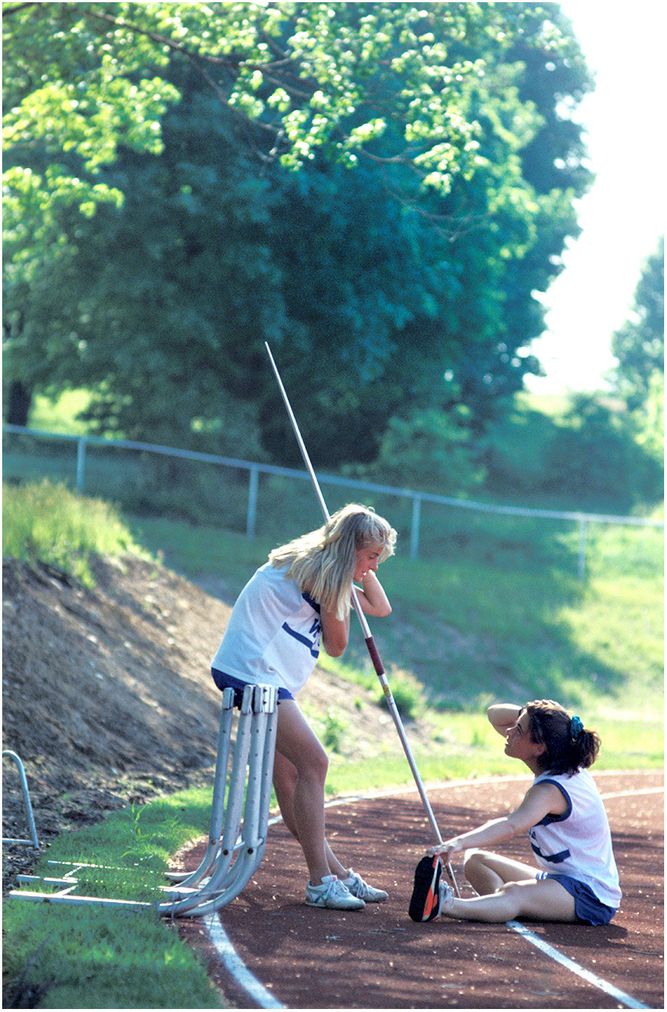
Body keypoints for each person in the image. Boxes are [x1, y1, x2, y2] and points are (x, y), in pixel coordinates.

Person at [211, 503, 396, 910]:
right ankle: (320, 882)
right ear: (349, 551)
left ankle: (338, 875)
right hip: (254, 674)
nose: (374, 568)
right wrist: (349, 579)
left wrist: (359, 570)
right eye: (370, 558)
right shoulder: (323, 578)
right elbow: (336, 646)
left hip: (261, 676)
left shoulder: (324, 568)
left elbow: (381, 608)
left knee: (294, 777)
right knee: (316, 763)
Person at [409, 700, 621, 926]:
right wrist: (529, 713)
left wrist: (458, 843)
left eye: (518, 729)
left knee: (514, 892)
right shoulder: (565, 762)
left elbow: (511, 825)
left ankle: (445, 904)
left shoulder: (550, 791)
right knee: (476, 861)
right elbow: (494, 715)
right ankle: (505, 906)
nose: (508, 731)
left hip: (590, 896)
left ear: (540, 747)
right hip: (560, 881)